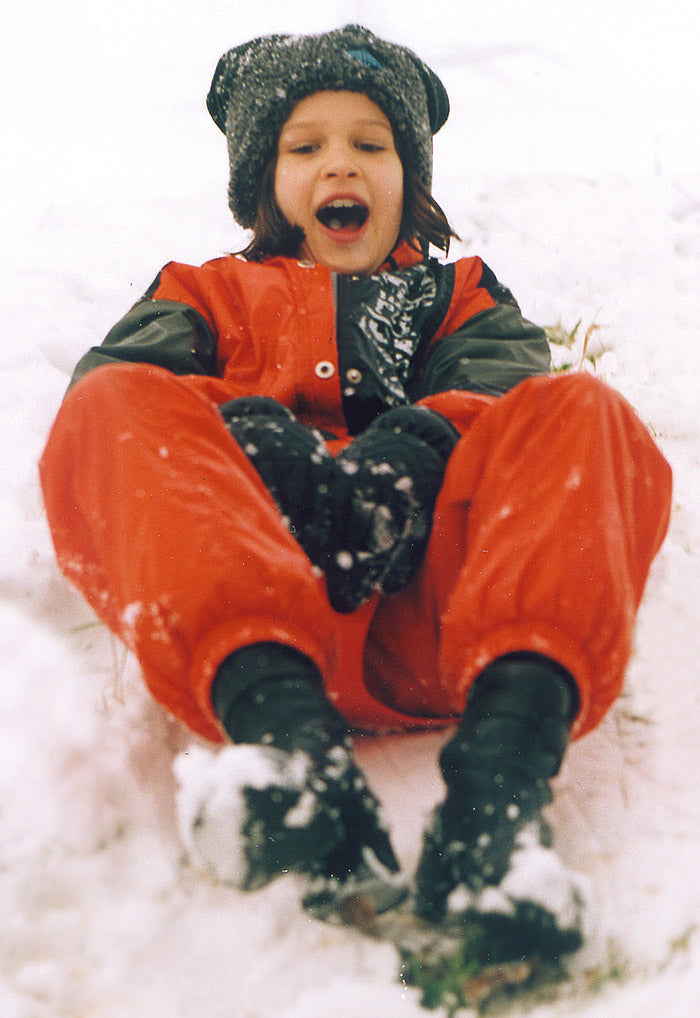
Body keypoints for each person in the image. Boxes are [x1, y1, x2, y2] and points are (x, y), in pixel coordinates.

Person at [40, 25, 672, 949]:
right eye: (306, 147)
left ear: (409, 178)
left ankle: (497, 804)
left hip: (446, 621)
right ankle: (296, 759)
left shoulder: (455, 296)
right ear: (265, 183)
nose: (342, 165)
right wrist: (250, 433)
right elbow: (121, 403)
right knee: (111, 408)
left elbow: (505, 397)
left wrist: (418, 448)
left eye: (371, 145)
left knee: (583, 414)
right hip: (250, 614)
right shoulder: (205, 294)